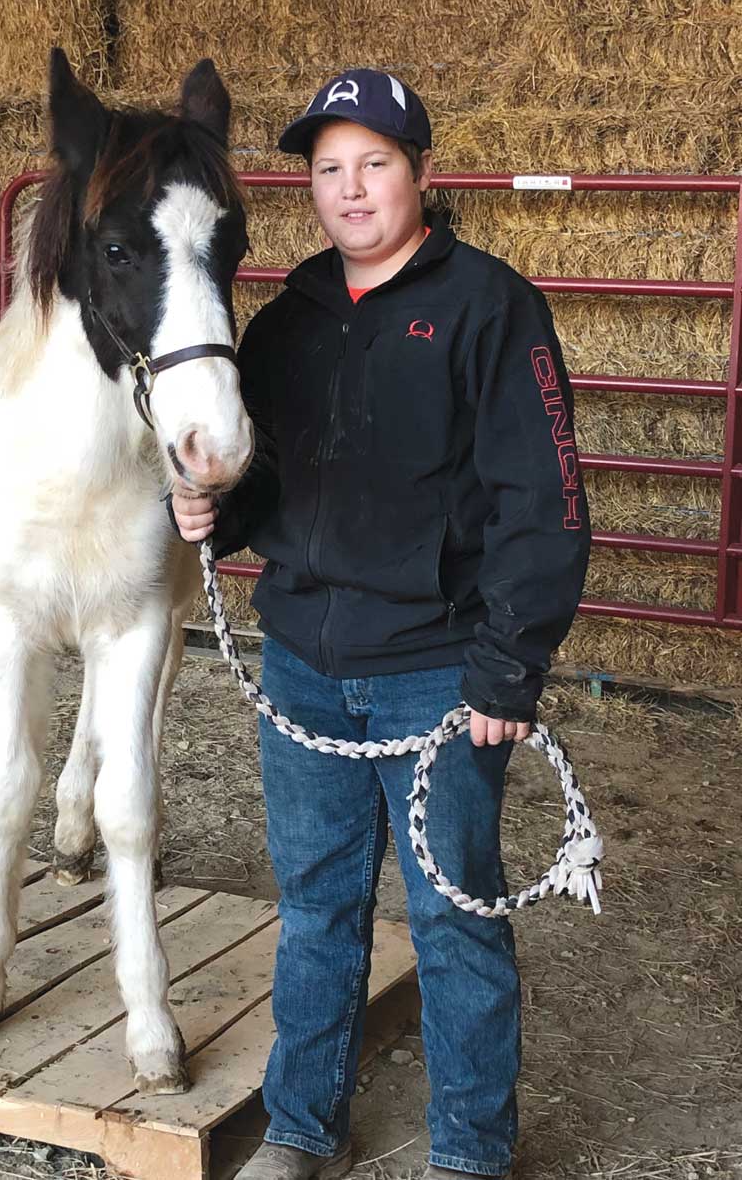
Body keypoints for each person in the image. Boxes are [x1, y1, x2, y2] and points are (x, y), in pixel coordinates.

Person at [171, 68, 591, 1180]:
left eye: (374, 164)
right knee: (315, 909)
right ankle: (302, 1127)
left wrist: (506, 674)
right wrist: (210, 517)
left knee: (455, 920)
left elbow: (543, 505)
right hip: (303, 664)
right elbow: (263, 490)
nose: (350, 190)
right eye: (328, 170)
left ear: (419, 174)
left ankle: (468, 1152)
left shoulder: (492, 308)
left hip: (437, 676)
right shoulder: (291, 317)